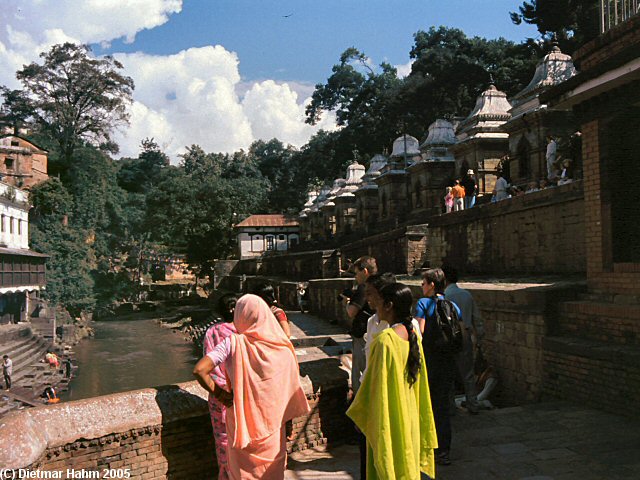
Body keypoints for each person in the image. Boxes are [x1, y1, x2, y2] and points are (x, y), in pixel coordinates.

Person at [193, 294, 309, 480]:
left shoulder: (232, 343)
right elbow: (288, 392)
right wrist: (287, 424)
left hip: (241, 423)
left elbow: (199, 370)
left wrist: (221, 395)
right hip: (273, 425)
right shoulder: (282, 347)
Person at [347, 283, 438, 480]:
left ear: (388, 306)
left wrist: (359, 412)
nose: (374, 306)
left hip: (389, 415)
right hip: (410, 412)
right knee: (406, 462)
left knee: (387, 464)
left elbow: (375, 387)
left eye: (377, 302)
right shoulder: (412, 334)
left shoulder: (384, 341)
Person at [415, 268, 461, 466]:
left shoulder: (423, 304)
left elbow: (419, 332)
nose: (422, 286)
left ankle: (427, 446)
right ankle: (444, 450)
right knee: (442, 407)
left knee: (426, 405)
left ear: (432, 285)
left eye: (424, 283)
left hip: (430, 361)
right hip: (448, 361)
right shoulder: (453, 306)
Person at [342, 255, 376, 479]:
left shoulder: (365, 289)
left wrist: (346, 302)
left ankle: (359, 424)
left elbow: (352, 312)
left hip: (364, 338)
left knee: (360, 379)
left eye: (356, 272)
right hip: (367, 337)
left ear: (365, 270)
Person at [201, 294, 238, 480]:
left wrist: (222, 392)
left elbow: (206, 369)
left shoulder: (211, 332)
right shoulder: (244, 333)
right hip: (242, 395)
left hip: (220, 396)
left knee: (223, 442)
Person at [442, 265, 483, 415]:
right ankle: (473, 404)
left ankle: (451, 406)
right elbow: (477, 320)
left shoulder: (444, 297)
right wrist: (479, 338)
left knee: (449, 373)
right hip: (465, 334)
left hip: (448, 337)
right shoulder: (466, 295)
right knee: (468, 373)